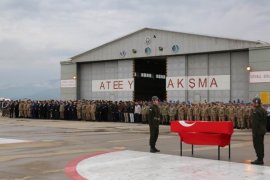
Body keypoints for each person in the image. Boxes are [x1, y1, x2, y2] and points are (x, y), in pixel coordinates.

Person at [251, 97, 267, 165]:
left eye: (254, 102)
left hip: (257, 131)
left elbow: (255, 123)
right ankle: (261, 158)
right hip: (262, 130)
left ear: (256, 103)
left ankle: (259, 159)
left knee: (257, 145)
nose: (253, 104)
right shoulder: (263, 110)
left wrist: (254, 132)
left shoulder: (256, 111)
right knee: (261, 145)